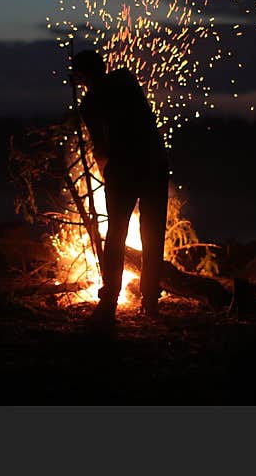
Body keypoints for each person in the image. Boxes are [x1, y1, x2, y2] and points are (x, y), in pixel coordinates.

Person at [71, 50, 169, 324]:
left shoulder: (90, 104)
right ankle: (150, 300)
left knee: (115, 235)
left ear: (81, 76)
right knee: (152, 233)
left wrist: (106, 172)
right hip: (156, 163)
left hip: (125, 170)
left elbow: (100, 147)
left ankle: (110, 298)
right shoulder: (126, 79)